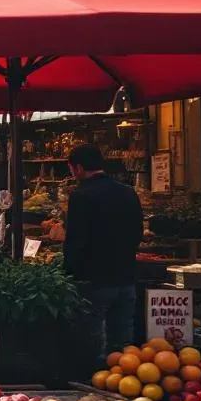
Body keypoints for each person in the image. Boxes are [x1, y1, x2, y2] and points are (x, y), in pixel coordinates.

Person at [63, 144, 144, 362]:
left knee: (92, 340)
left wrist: (69, 274)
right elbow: (138, 233)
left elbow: (75, 242)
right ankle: (123, 379)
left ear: (78, 168)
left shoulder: (80, 196)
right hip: (126, 276)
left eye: (71, 169)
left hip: (93, 279)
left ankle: (94, 380)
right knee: (123, 340)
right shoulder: (128, 192)